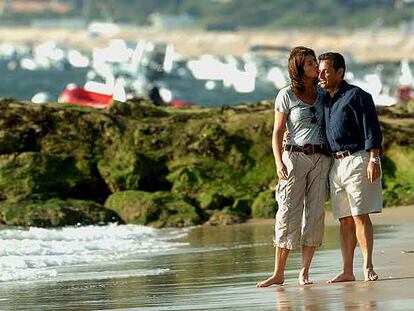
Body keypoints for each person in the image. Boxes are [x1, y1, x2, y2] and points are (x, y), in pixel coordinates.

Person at [257, 46, 331, 287]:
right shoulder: (286, 94)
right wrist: (279, 162)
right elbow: (277, 132)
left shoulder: (323, 93)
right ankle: (278, 273)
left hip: (321, 158)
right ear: (299, 69)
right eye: (309, 63)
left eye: (314, 62)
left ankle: (304, 272)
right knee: (287, 213)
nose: (314, 66)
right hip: (294, 158)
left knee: (315, 214)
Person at [318, 52, 383, 282]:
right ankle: (347, 271)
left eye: (326, 71)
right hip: (335, 164)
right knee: (344, 218)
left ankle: (367, 267)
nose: (321, 75)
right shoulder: (324, 99)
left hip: (358, 158)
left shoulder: (358, 96)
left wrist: (374, 159)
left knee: (359, 215)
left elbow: (372, 129)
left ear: (340, 72)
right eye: (319, 70)